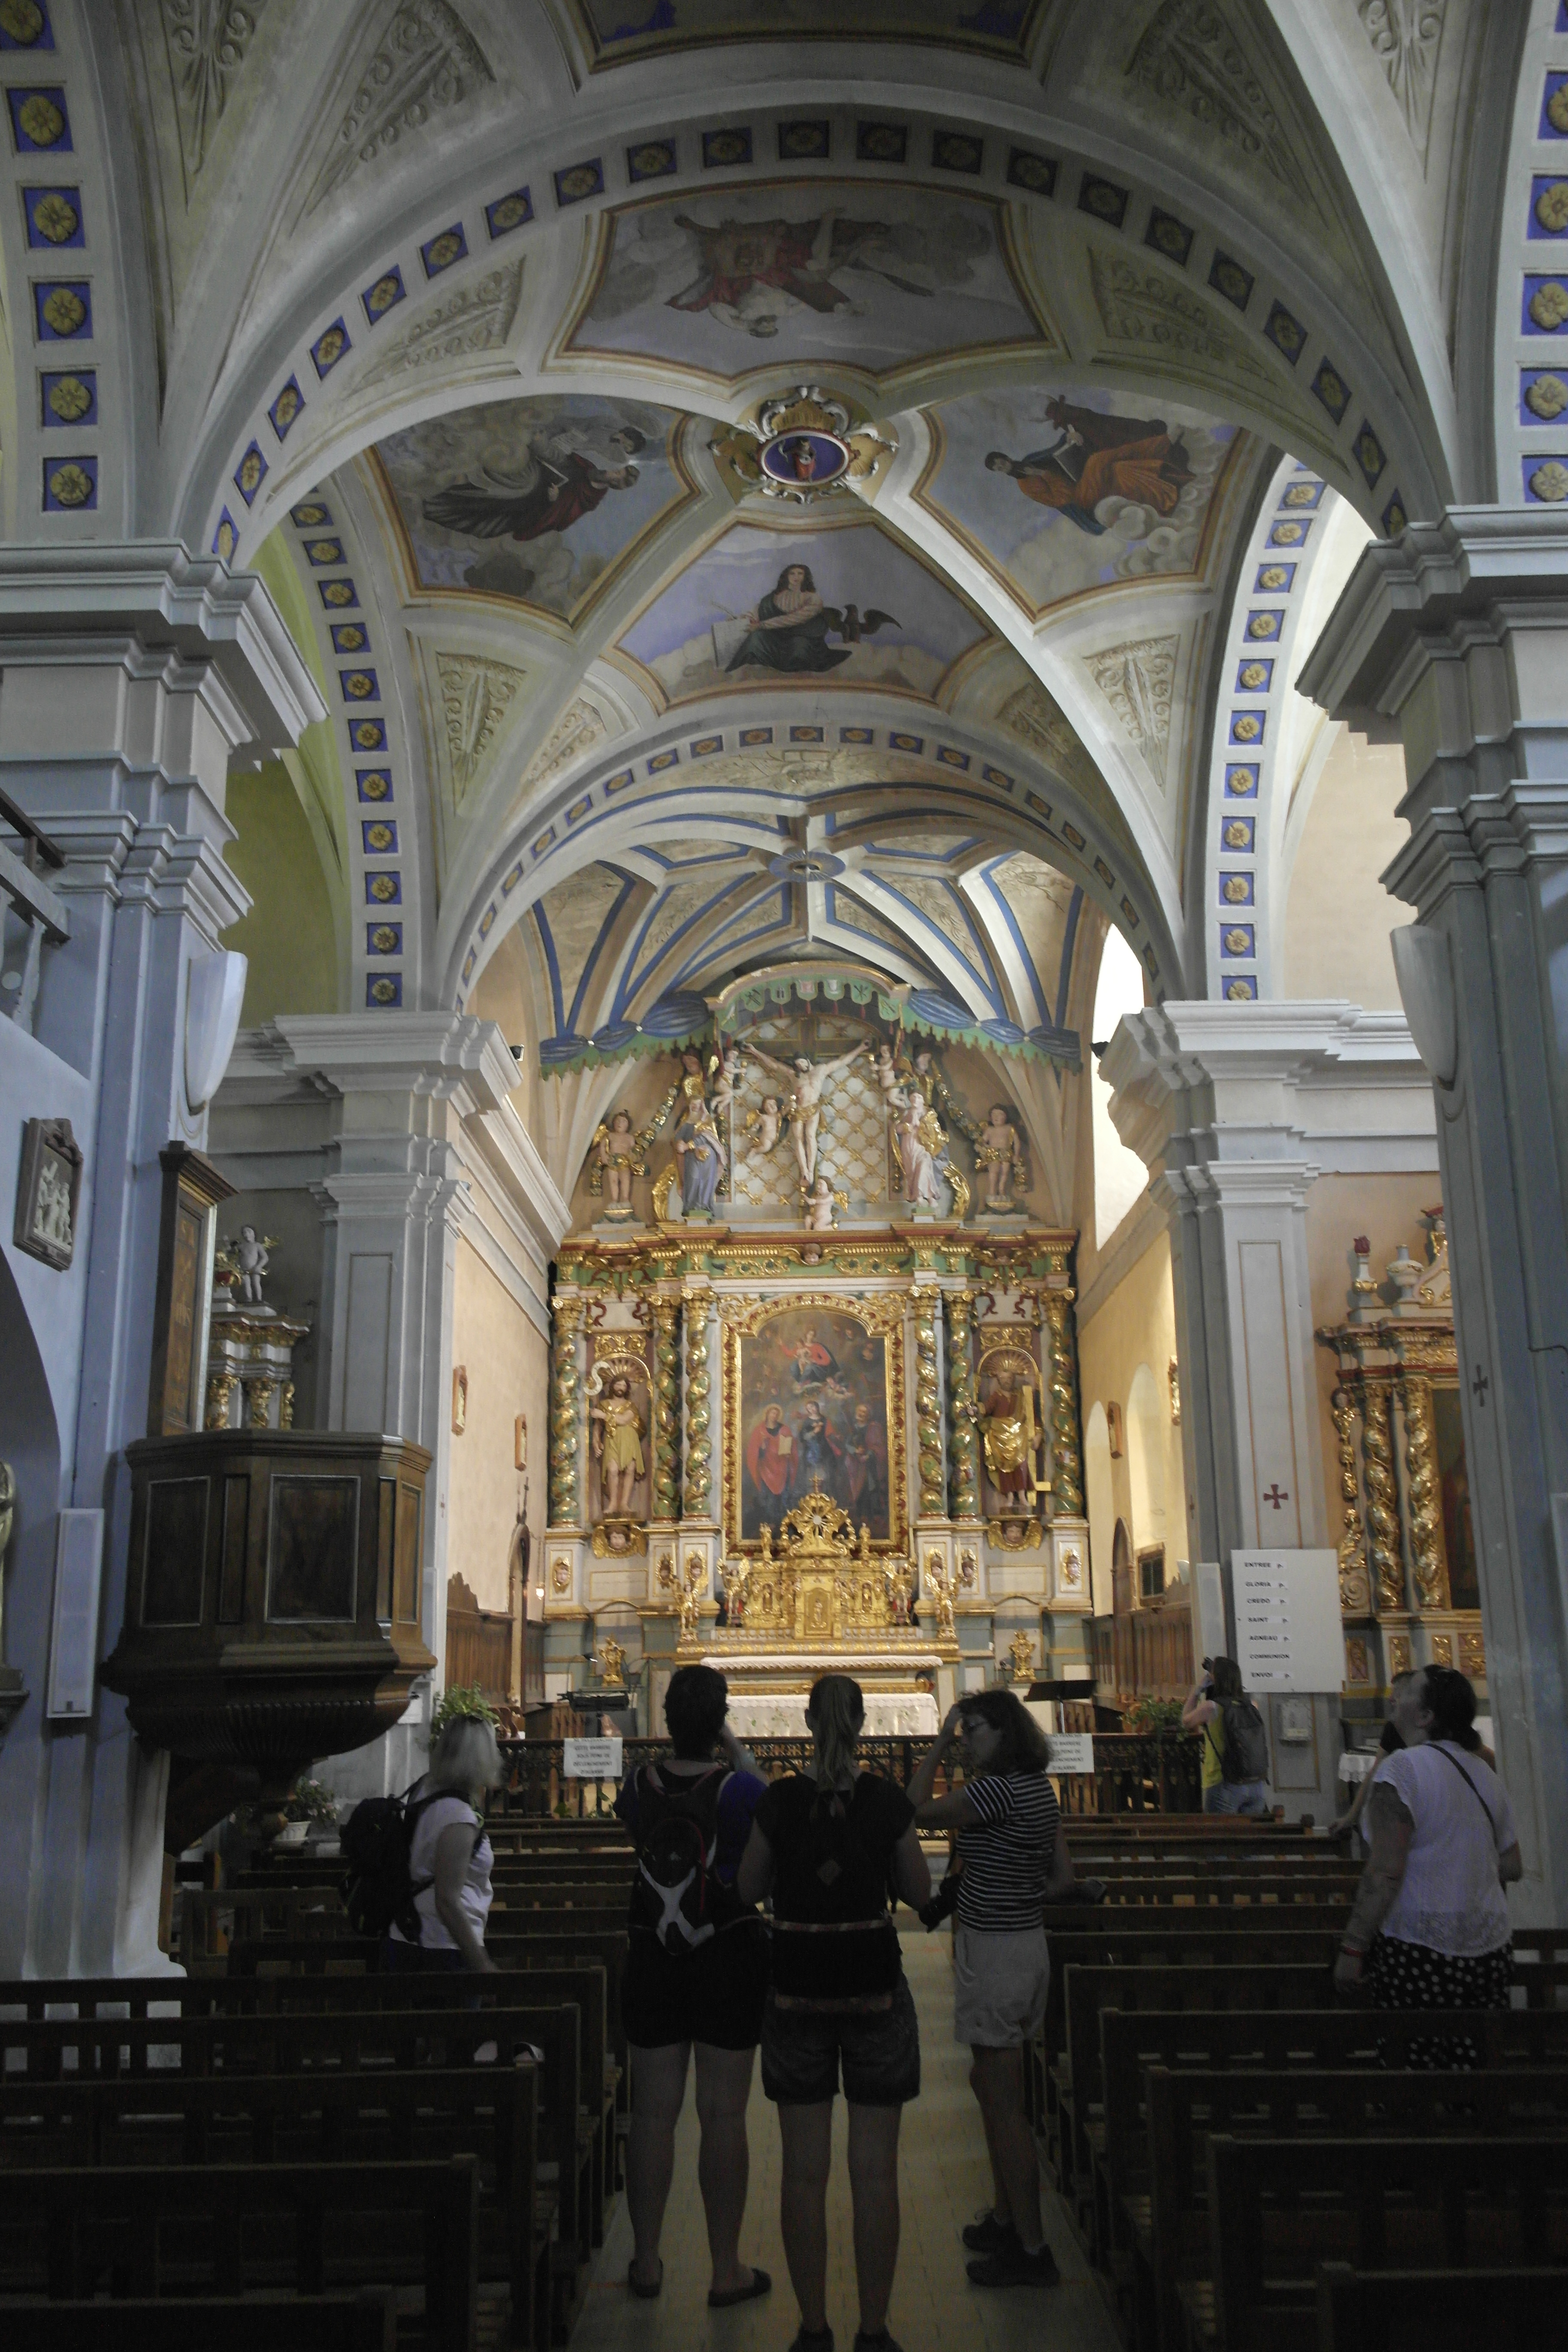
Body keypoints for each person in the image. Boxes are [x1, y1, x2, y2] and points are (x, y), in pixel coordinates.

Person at [738, 1675, 930, 2352]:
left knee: (802, 2170)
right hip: (873, 1988)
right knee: (875, 2171)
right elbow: (916, 1891)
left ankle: (813, 2328)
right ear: (863, 1721)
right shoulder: (885, 1802)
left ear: (808, 1721)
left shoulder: (780, 1799)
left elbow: (748, 1888)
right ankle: (873, 2331)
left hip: (795, 1989)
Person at [615, 1665, 772, 2308]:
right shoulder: (737, 1790)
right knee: (722, 2115)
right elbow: (768, 1807)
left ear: (667, 1721)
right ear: (717, 1723)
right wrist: (736, 1750)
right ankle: (725, 2267)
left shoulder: (636, 1786)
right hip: (726, 1955)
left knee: (652, 2114)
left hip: (655, 1953)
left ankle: (647, 2261)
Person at [907, 1690, 1075, 2289]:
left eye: (973, 1730)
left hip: (997, 1953)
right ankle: (1007, 2220)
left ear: (1002, 1733)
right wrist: (1012, 1883)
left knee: (1005, 2108)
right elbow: (1062, 1880)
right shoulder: (1039, 1791)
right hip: (1026, 1947)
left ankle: (1031, 2250)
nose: (966, 1739)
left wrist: (938, 1744)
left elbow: (913, 1809)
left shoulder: (995, 1792)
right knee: (989, 2081)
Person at [1334, 1664, 1521, 2066]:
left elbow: (1385, 1871)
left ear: (1426, 1717)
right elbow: (1512, 1865)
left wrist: (1354, 1947)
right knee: (1474, 2067)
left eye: (1407, 1694)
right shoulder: (1485, 1775)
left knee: (1415, 2072)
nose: (1395, 1698)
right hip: (1490, 1947)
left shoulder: (1401, 1771)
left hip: (1419, 1950)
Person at [383, 1714, 502, 1974]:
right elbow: (447, 1901)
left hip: (408, 1935)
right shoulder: (458, 1816)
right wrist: (481, 1963)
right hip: (441, 1948)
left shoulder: (423, 1791)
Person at [1181, 1654, 1270, 1816]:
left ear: (1216, 1680)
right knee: (1252, 1838)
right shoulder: (1251, 1705)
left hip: (1223, 1783)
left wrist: (1198, 1690)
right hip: (1255, 1784)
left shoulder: (1212, 1708)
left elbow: (1186, 1721)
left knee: (1221, 1839)